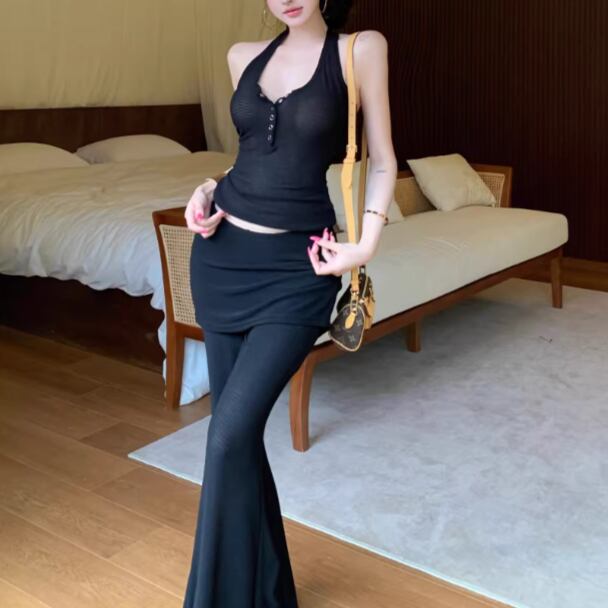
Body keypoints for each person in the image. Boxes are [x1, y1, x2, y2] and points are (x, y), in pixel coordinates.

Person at [182, 0, 397, 606]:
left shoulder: (359, 50)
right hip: (221, 259)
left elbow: (383, 159)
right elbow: (248, 158)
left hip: (297, 272)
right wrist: (205, 188)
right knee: (237, 440)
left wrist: (365, 245)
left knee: (227, 438)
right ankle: (271, 594)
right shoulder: (242, 57)